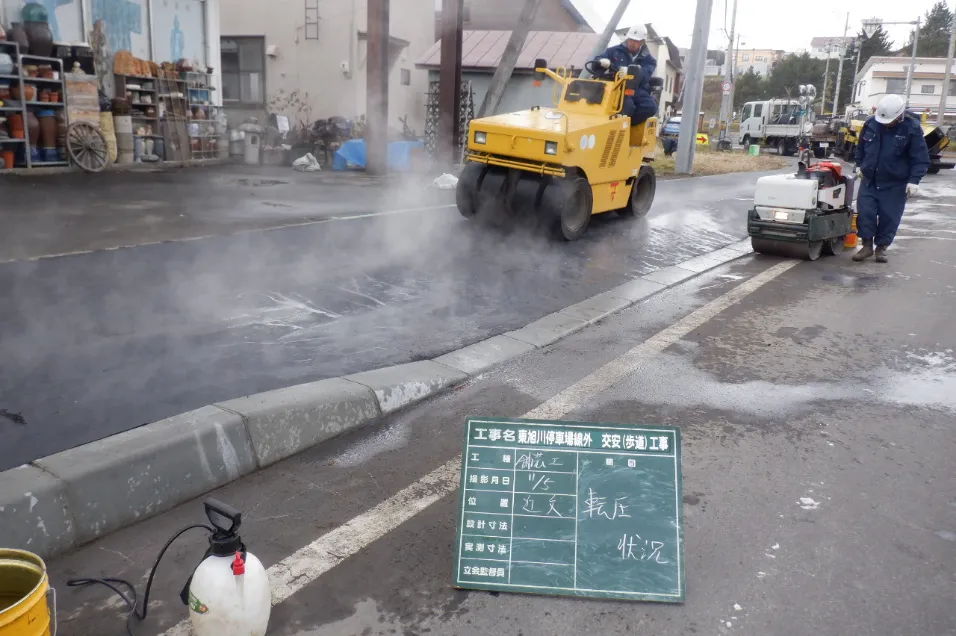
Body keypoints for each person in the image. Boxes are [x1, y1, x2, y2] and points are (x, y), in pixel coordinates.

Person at [852, 94, 930, 263]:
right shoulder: (871, 123)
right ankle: (866, 246)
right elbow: (861, 147)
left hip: (895, 183)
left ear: (900, 115)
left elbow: (920, 157)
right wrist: (859, 164)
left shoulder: (911, 128)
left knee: (890, 217)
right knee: (866, 213)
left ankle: (881, 248)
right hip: (870, 180)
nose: (886, 124)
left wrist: (914, 180)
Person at [593, 24, 658, 126]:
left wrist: (633, 72)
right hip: (613, 86)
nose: (633, 43)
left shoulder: (649, 60)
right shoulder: (613, 51)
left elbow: (646, 75)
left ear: (642, 42)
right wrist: (601, 61)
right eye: (631, 39)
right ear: (628, 38)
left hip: (635, 89)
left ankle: (627, 127)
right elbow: (595, 63)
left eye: (636, 41)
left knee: (650, 106)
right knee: (625, 105)